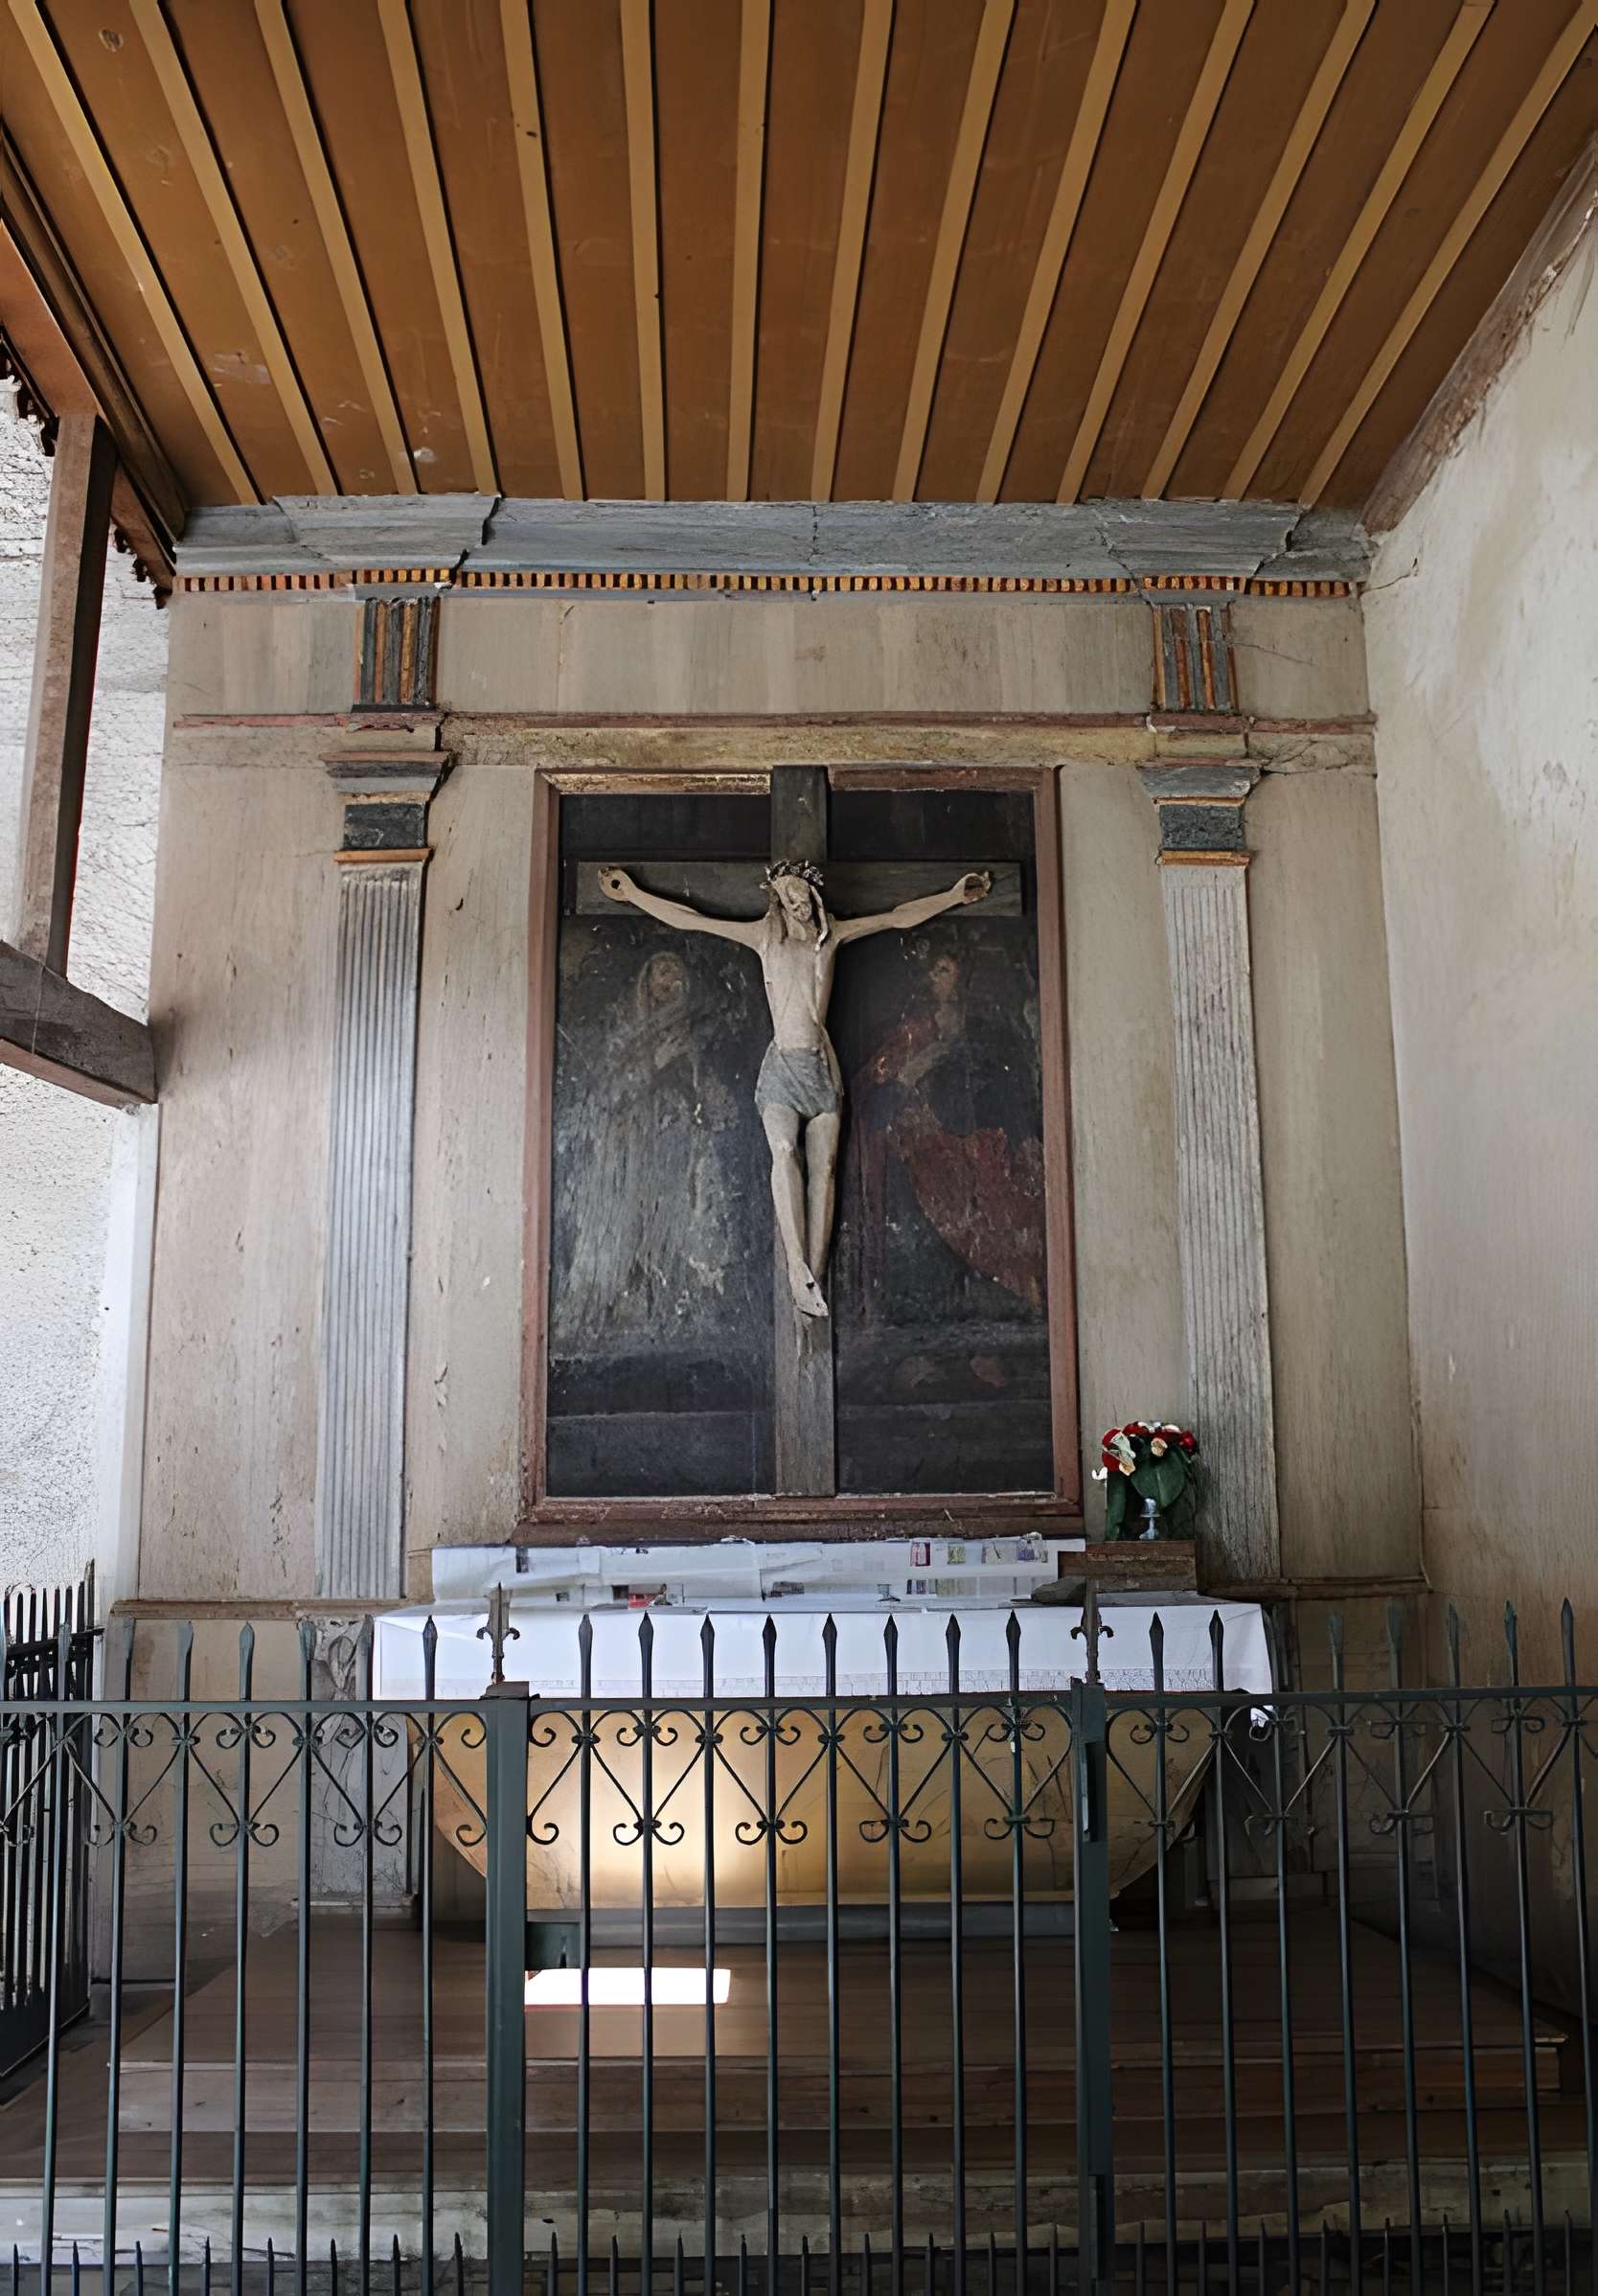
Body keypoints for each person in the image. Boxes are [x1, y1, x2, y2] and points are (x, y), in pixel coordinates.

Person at [599, 858, 991, 1317]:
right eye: (789, 897)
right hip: (782, 1067)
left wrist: (953, 896)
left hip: (821, 1070)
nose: (798, 903)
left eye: (803, 894)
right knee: (784, 1153)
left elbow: (895, 916)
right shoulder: (765, 940)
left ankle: (813, 1280)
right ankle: (795, 1266)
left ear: (812, 894)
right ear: (778, 902)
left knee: (823, 1172)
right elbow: (693, 921)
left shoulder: (832, 937)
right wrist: (633, 894)